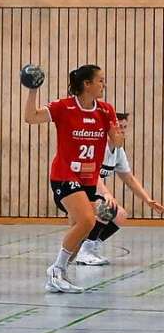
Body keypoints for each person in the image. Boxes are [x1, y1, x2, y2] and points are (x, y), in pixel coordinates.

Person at [23, 64, 122, 293]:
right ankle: (55, 270)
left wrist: (117, 139)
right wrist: (33, 89)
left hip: (88, 179)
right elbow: (30, 117)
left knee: (81, 233)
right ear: (87, 84)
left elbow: (116, 143)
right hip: (64, 174)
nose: (103, 85)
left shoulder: (106, 110)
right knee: (88, 220)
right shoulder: (64, 107)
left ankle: (60, 275)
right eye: (100, 80)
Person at [76, 111, 164, 265]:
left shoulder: (118, 151)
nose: (122, 131)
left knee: (121, 215)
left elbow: (128, 178)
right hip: (77, 193)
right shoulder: (98, 146)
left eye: (125, 127)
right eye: (119, 127)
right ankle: (84, 251)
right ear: (110, 127)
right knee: (107, 208)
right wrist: (107, 194)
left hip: (94, 195)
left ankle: (91, 245)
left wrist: (148, 200)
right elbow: (94, 175)